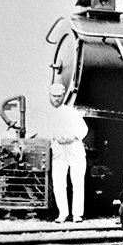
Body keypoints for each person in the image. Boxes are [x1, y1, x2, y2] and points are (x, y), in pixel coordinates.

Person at [45, 83, 88, 223]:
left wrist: (73, 136)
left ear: (63, 96)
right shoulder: (47, 114)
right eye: (54, 96)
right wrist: (55, 137)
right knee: (58, 182)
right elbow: (44, 131)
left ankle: (77, 214)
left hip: (74, 149)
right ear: (49, 96)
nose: (56, 99)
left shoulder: (72, 112)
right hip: (58, 150)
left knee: (77, 182)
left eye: (59, 96)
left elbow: (83, 129)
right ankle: (62, 213)